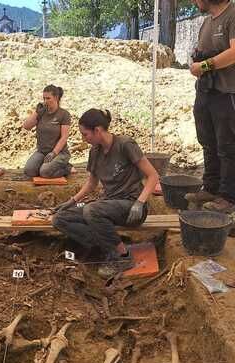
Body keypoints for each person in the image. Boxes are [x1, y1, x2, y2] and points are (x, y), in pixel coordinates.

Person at [52, 109, 159, 278]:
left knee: (91, 210)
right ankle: (105, 248)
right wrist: (71, 201)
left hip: (132, 207)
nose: (83, 139)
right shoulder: (95, 152)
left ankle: (123, 257)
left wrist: (140, 203)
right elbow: (91, 183)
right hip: (108, 205)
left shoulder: (125, 145)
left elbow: (153, 176)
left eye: (85, 134)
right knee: (60, 218)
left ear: (98, 130)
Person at [185, 0, 235, 213]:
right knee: (207, 141)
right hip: (207, 90)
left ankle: (228, 197)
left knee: (227, 145)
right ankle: (211, 187)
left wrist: (204, 65)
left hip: (228, 92)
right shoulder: (207, 22)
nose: (193, 1)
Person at [21, 85, 73, 179]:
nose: (45, 101)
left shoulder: (64, 114)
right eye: (44, 98)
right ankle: (48, 165)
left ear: (56, 98)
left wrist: (54, 153)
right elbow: (26, 126)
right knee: (29, 171)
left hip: (59, 152)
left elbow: (64, 137)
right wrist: (36, 113)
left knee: (45, 172)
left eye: (48, 98)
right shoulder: (41, 112)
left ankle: (66, 168)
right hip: (42, 152)